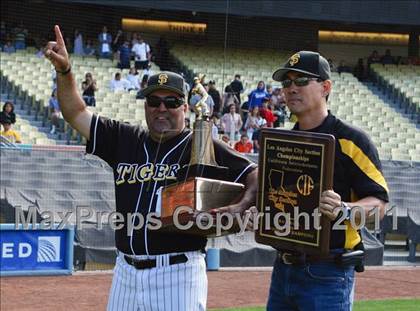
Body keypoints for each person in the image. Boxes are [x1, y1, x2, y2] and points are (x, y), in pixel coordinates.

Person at [44, 25, 258, 311]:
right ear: (145, 105)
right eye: (154, 100)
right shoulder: (124, 138)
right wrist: (65, 71)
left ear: (184, 107)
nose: (161, 108)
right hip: (125, 272)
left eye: (171, 101)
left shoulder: (201, 143)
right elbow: (75, 112)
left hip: (178, 273)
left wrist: (241, 206)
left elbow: (254, 173)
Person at [266, 50, 389, 310]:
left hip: (328, 273)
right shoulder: (281, 144)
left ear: (325, 87)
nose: (291, 88)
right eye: (286, 83)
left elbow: (379, 206)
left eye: (301, 81)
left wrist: (344, 210)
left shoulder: (351, 140)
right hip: (282, 268)